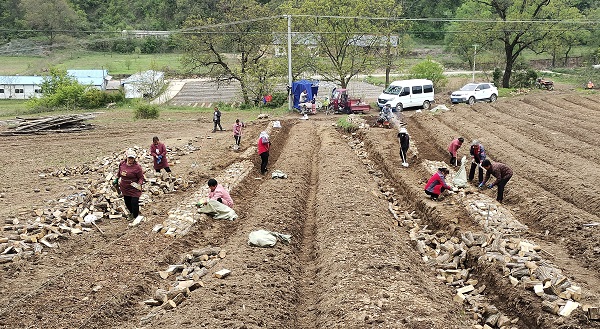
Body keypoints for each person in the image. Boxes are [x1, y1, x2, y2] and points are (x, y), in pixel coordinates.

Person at [116, 149, 145, 220]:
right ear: (127, 157)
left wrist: (139, 184)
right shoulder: (122, 164)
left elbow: (141, 177)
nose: (130, 160)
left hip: (134, 187)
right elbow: (119, 173)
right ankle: (132, 213)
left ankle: (136, 216)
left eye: (132, 158)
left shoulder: (137, 167)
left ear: (134, 158)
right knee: (127, 202)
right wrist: (116, 179)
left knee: (134, 202)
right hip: (125, 187)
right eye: (129, 158)